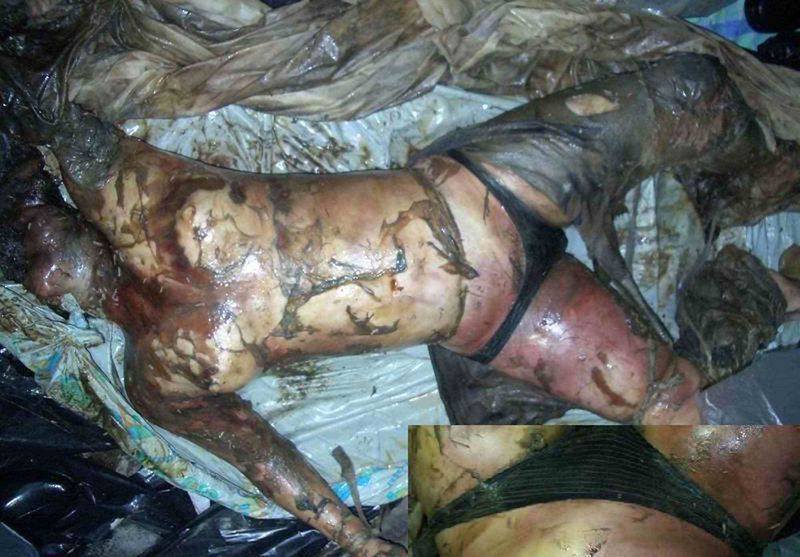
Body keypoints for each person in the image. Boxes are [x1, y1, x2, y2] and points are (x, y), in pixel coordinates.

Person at [5, 52, 800, 556]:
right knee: (676, 414)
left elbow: (39, 92)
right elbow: (262, 457)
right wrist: (354, 537)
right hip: (493, 315)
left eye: (31, 224)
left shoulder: (129, 199)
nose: (39, 248)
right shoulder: (158, 377)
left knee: (697, 88)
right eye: (25, 256)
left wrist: (25, 111)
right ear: (45, 295)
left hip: (475, 191)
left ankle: (742, 189)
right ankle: (762, 292)